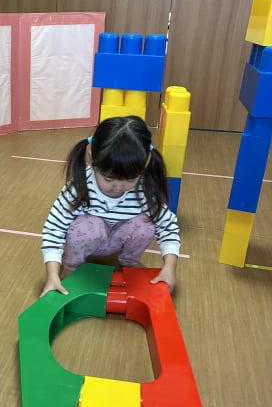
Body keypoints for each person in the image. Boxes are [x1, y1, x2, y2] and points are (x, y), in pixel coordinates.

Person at [40, 115, 180, 296]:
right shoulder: (80, 186)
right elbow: (54, 228)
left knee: (145, 224)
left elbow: (167, 227)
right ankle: (72, 265)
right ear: (91, 157)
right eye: (108, 179)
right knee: (88, 225)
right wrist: (52, 275)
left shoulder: (145, 190)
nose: (118, 187)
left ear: (145, 163)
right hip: (88, 237)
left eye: (130, 179)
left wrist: (170, 268)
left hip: (118, 239)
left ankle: (128, 262)